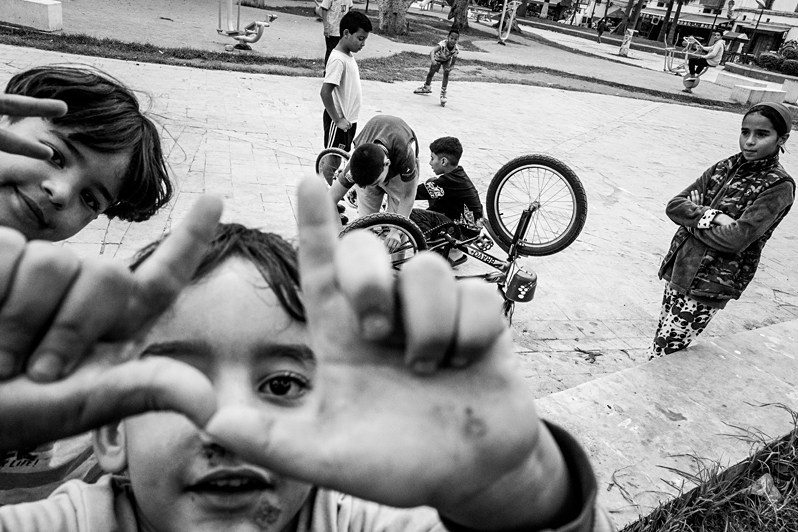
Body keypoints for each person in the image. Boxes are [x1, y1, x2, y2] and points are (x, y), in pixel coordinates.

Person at [0, 178, 616, 532]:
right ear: (109, 429)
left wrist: (512, 488)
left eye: (284, 384)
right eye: (170, 382)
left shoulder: (361, 521)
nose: (235, 425)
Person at [0, 65, 174, 504]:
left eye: (90, 199)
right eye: (56, 154)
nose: (60, 191)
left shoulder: (50, 322)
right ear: (6, 120)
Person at [649, 102, 795, 359]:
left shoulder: (778, 186)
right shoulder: (724, 167)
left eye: (762, 135)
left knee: (663, 353)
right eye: (744, 132)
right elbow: (674, 206)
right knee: (663, 346)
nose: (749, 141)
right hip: (680, 269)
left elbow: (736, 239)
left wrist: (692, 217)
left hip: (711, 281)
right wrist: (713, 216)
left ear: (781, 138)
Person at [410, 136, 484, 267]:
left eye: (432, 158)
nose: (430, 163)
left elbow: (412, 193)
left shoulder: (448, 182)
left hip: (462, 234)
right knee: (431, 183)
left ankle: (448, 251)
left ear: (443, 161)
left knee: (411, 215)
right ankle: (446, 246)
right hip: (468, 229)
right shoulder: (456, 176)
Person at [320, 10, 371, 153]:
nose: (363, 44)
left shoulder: (347, 56)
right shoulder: (338, 60)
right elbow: (325, 93)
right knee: (332, 158)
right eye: (360, 38)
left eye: (365, 39)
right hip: (339, 121)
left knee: (341, 157)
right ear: (346, 33)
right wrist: (337, 120)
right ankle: (323, 176)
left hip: (348, 120)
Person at [413, 28, 460, 106]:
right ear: (448, 37)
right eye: (451, 38)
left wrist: (450, 68)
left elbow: (453, 63)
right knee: (431, 72)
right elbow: (432, 51)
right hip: (437, 58)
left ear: (457, 40)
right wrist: (433, 60)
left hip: (446, 61)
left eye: (455, 39)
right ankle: (426, 87)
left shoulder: (456, 49)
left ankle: (443, 93)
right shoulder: (443, 44)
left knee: (446, 73)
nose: (453, 41)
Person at [319, 0, 353, 68]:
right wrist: (326, 26)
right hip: (332, 30)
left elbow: (350, 9)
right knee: (331, 52)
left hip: (344, 31)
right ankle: (328, 72)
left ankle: (339, 72)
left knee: (343, 53)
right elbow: (324, 9)